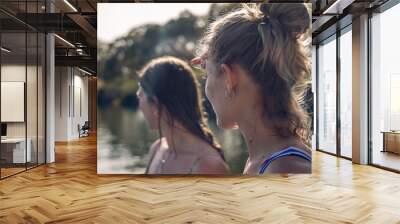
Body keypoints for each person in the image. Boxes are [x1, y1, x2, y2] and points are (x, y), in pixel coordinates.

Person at [191, 3, 312, 174]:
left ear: (228, 78)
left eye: (208, 75)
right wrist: (214, 62)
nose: (207, 86)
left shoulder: (283, 169)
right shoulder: (267, 160)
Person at [137, 56, 230, 174]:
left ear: (156, 103)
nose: (139, 105)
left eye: (140, 95)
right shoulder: (157, 148)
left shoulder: (208, 166)